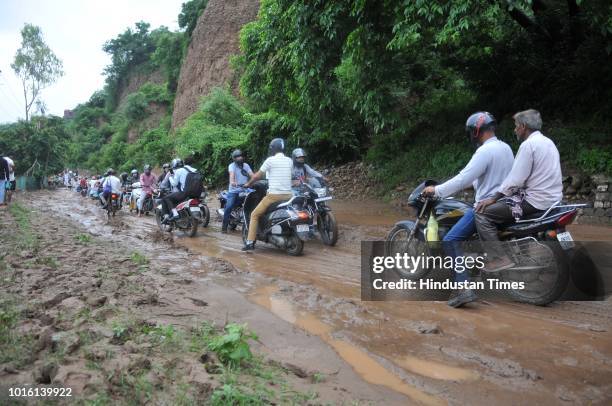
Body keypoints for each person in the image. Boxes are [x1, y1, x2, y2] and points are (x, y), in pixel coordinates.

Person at [422, 112, 514, 308]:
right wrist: (472, 184)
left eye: (472, 131)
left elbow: (463, 178)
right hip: (505, 204)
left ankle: (464, 288)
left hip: (485, 207)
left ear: (476, 131)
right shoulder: (505, 147)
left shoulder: (484, 151)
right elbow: (492, 177)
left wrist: (436, 190)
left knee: (450, 239)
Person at [475, 109, 563, 272]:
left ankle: (499, 258)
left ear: (523, 126)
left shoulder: (528, 145)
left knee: (482, 213)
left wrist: (493, 198)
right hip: (553, 200)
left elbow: (515, 179)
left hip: (535, 201)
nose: (515, 129)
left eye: (516, 126)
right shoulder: (548, 142)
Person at [242, 138, 293, 251]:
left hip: (274, 196)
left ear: (273, 149)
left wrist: (248, 184)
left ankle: (250, 243)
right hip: (289, 196)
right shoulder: (289, 160)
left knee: (254, 215)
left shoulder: (270, 160)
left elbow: (257, 176)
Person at [222, 150, 253, 233]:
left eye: (240, 156)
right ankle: (224, 227)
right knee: (229, 207)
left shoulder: (246, 165)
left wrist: (254, 181)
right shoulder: (231, 166)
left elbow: (252, 175)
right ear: (234, 158)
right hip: (234, 191)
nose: (240, 158)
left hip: (245, 190)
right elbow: (231, 174)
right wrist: (233, 182)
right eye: (237, 157)